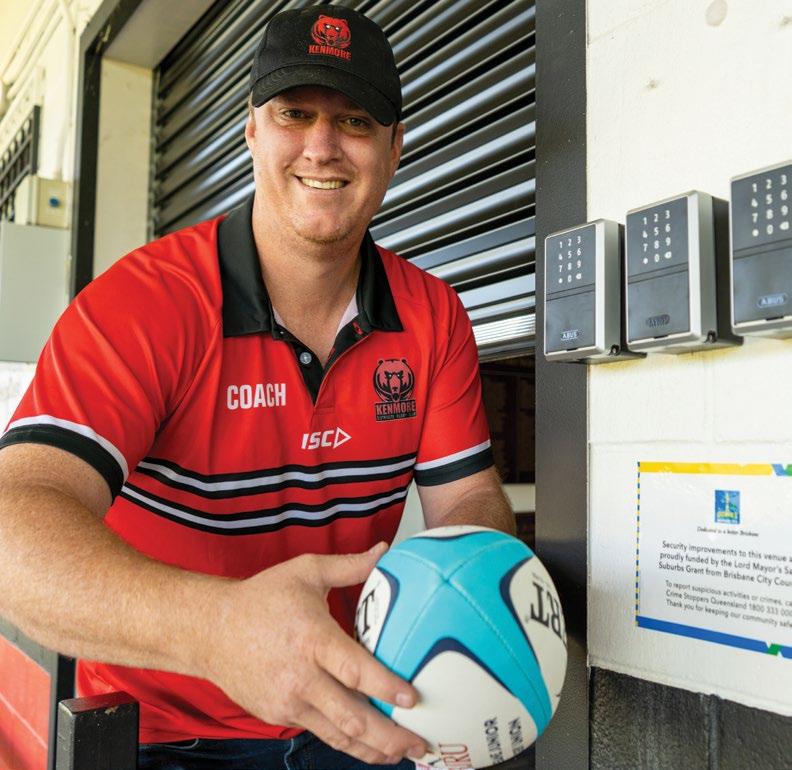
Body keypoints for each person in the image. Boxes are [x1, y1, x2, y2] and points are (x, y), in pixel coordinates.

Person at [0, 5, 515, 769]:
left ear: (395, 148)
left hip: (350, 718)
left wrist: (476, 600)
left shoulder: (433, 315)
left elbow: (467, 496)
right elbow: (13, 526)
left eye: (356, 121)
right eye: (294, 113)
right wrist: (216, 630)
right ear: (249, 129)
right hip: (163, 739)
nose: (322, 145)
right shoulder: (146, 303)